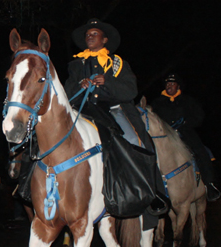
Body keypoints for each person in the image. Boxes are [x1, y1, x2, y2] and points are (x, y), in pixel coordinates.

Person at [64, 18, 168, 216]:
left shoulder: (118, 64)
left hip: (114, 110)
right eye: (87, 34)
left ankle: (149, 191)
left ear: (104, 40)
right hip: (84, 112)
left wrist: (107, 82)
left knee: (135, 141)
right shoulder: (76, 65)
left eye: (94, 34)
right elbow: (67, 92)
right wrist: (80, 85)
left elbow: (130, 91)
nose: (89, 36)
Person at [151, 73, 221, 201]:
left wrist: (186, 122)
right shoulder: (157, 103)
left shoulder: (188, 100)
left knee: (201, 151)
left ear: (178, 86)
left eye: (172, 83)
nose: (169, 86)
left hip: (185, 132)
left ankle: (210, 185)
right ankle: (152, 191)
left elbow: (199, 116)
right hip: (165, 136)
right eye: (167, 84)